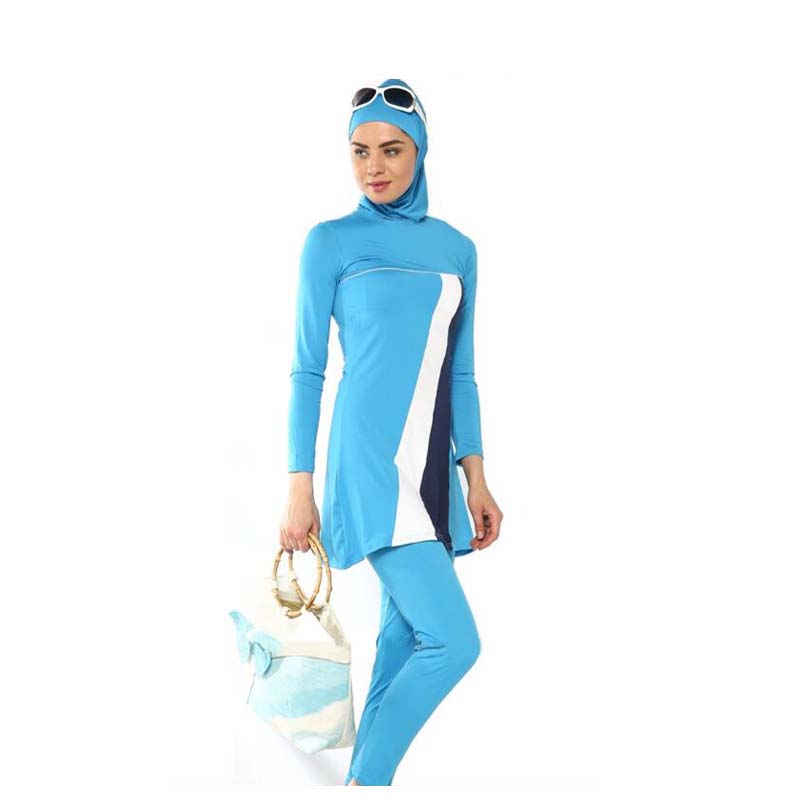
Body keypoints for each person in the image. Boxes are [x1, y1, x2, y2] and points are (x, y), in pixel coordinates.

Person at [280, 78, 503, 786]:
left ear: (421, 151)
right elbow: (307, 371)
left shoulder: (457, 249)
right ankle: (368, 784)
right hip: (368, 464)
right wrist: (299, 487)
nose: (373, 167)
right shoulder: (330, 242)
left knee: (404, 642)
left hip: (430, 470)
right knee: (454, 643)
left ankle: (362, 786)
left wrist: (475, 476)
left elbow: (461, 373)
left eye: (392, 150)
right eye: (360, 151)